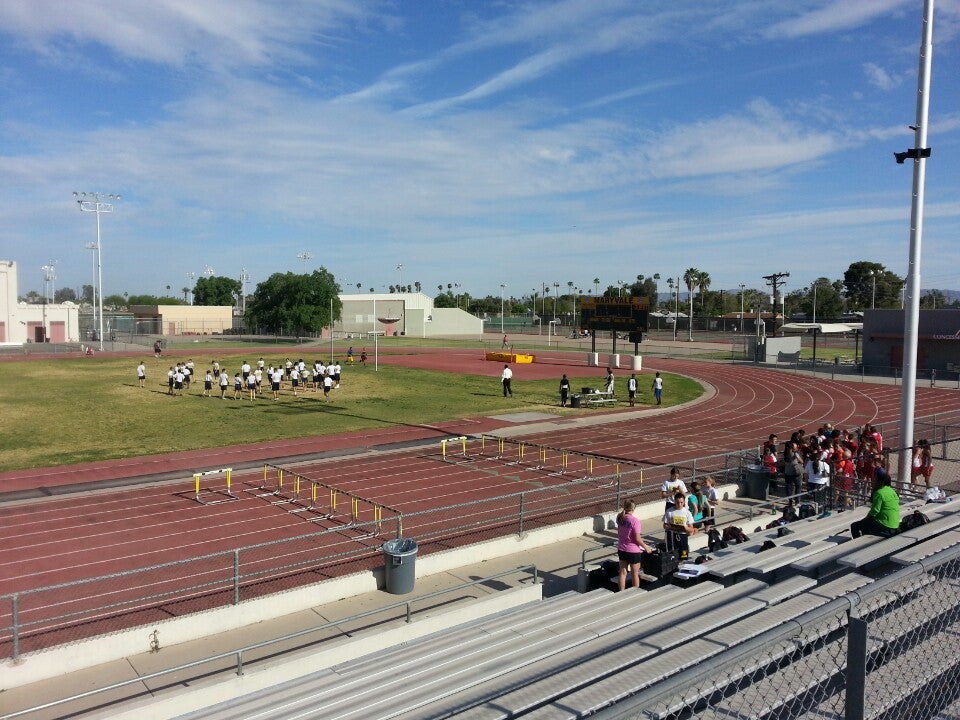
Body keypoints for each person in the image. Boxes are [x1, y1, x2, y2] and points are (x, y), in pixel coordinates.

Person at [851, 469, 900, 538]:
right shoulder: (892, 491)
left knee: (854, 526)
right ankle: (865, 539)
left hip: (885, 524)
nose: (874, 482)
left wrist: (865, 518)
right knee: (866, 524)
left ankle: (858, 542)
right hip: (895, 524)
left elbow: (875, 511)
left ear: (880, 482)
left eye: (875, 480)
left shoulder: (879, 493)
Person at [616, 499, 653, 591]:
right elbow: (637, 538)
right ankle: (635, 593)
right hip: (633, 551)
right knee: (634, 574)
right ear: (633, 508)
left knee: (622, 572)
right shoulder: (635, 521)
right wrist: (646, 547)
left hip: (622, 549)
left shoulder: (620, 518)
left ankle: (621, 592)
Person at [663, 491, 698, 559]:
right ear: (674, 502)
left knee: (683, 556)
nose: (679, 504)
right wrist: (670, 527)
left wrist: (684, 527)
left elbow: (691, 529)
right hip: (672, 536)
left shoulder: (687, 513)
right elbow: (664, 525)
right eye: (677, 502)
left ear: (684, 502)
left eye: (681, 502)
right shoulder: (669, 511)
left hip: (683, 536)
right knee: (672, 556)